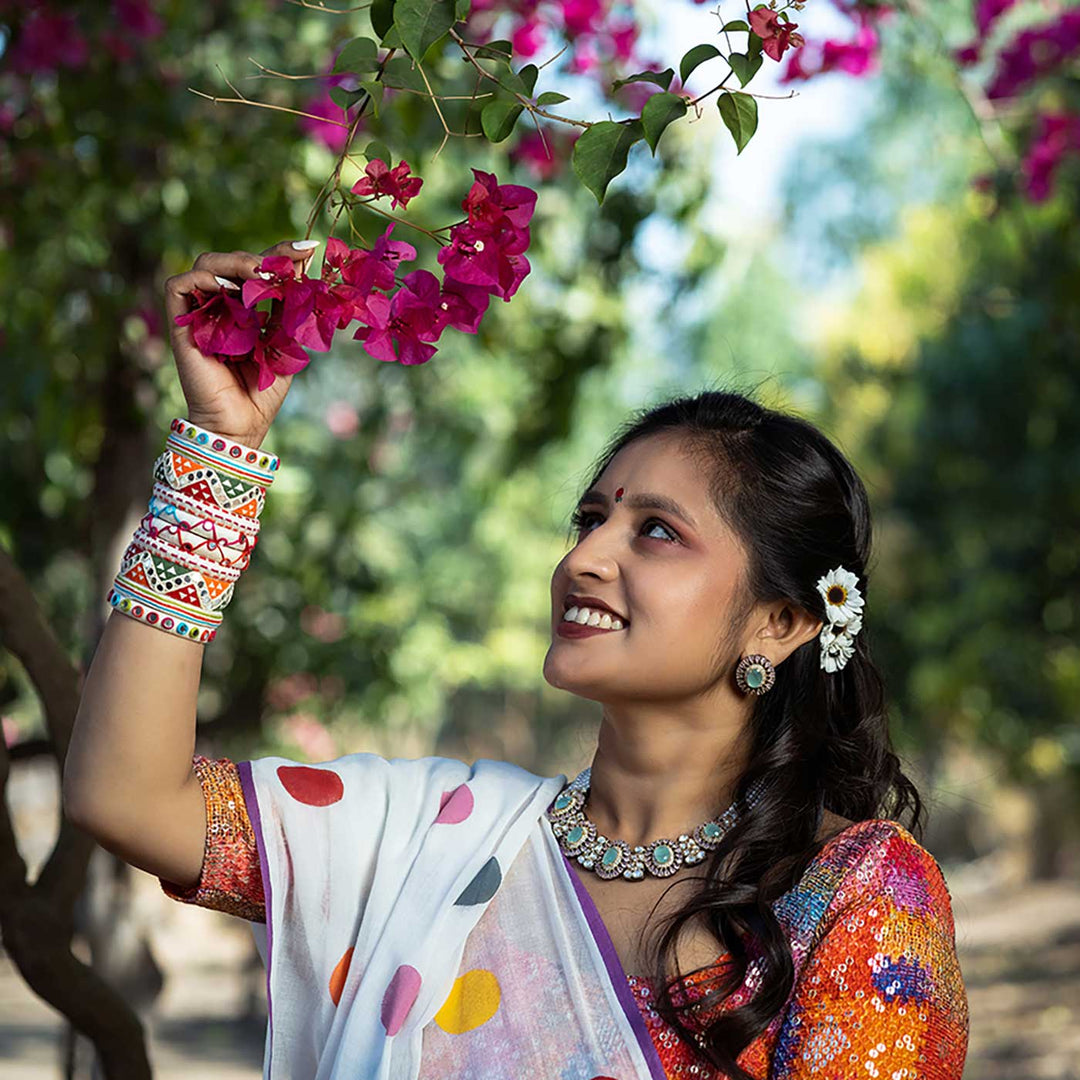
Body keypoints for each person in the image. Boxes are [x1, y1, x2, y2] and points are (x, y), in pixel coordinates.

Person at [63, 239, 970, 1080]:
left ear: (779, 622)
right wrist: (222, 447)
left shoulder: (853, 894)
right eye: (590, 520)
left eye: (655, 531)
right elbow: (128, 795)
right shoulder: (437, 843)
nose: (585, 557)